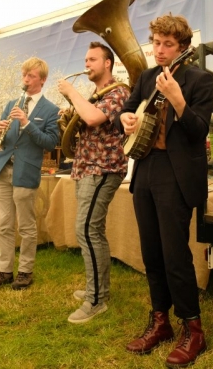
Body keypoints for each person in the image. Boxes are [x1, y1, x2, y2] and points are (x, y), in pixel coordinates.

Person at [114, 14, 213, 367]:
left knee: (175, 256)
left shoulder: (199, 79)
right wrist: (124, 119)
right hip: (146, 171)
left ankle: (193, 329)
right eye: (155, 42)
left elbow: (198, 131)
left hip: (176, 173)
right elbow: (125, 112)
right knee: (151, 254)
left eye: (167, 44)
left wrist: (178, 99)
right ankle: (161, 322)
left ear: (183, 46)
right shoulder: (144, 78)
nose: (159, 49)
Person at [57, 41, 131, 324]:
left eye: (92, 60)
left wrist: (71, 92)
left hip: (103, 168)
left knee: (87, 231)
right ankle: (97, 289)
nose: (86, 64)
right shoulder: (98, 93)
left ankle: (97, 300)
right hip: (88, 167)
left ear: (107, 63)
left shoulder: (119, 91)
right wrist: (68, 113)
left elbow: (92, 116)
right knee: (91, 230)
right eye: (86, 59)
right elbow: (84, 119)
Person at [0, 57, 59, 291]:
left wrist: (26, 123)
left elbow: (50, 142)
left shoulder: (50, 110)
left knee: (26, 226)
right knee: (4, 224)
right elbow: (1, 140)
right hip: (3, 169)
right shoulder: (12, 103)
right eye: (24, 75)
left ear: (42, 80)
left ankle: (25, 271)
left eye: (31, 76)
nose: (25, 79)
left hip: (26, 172)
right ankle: (4, 270)